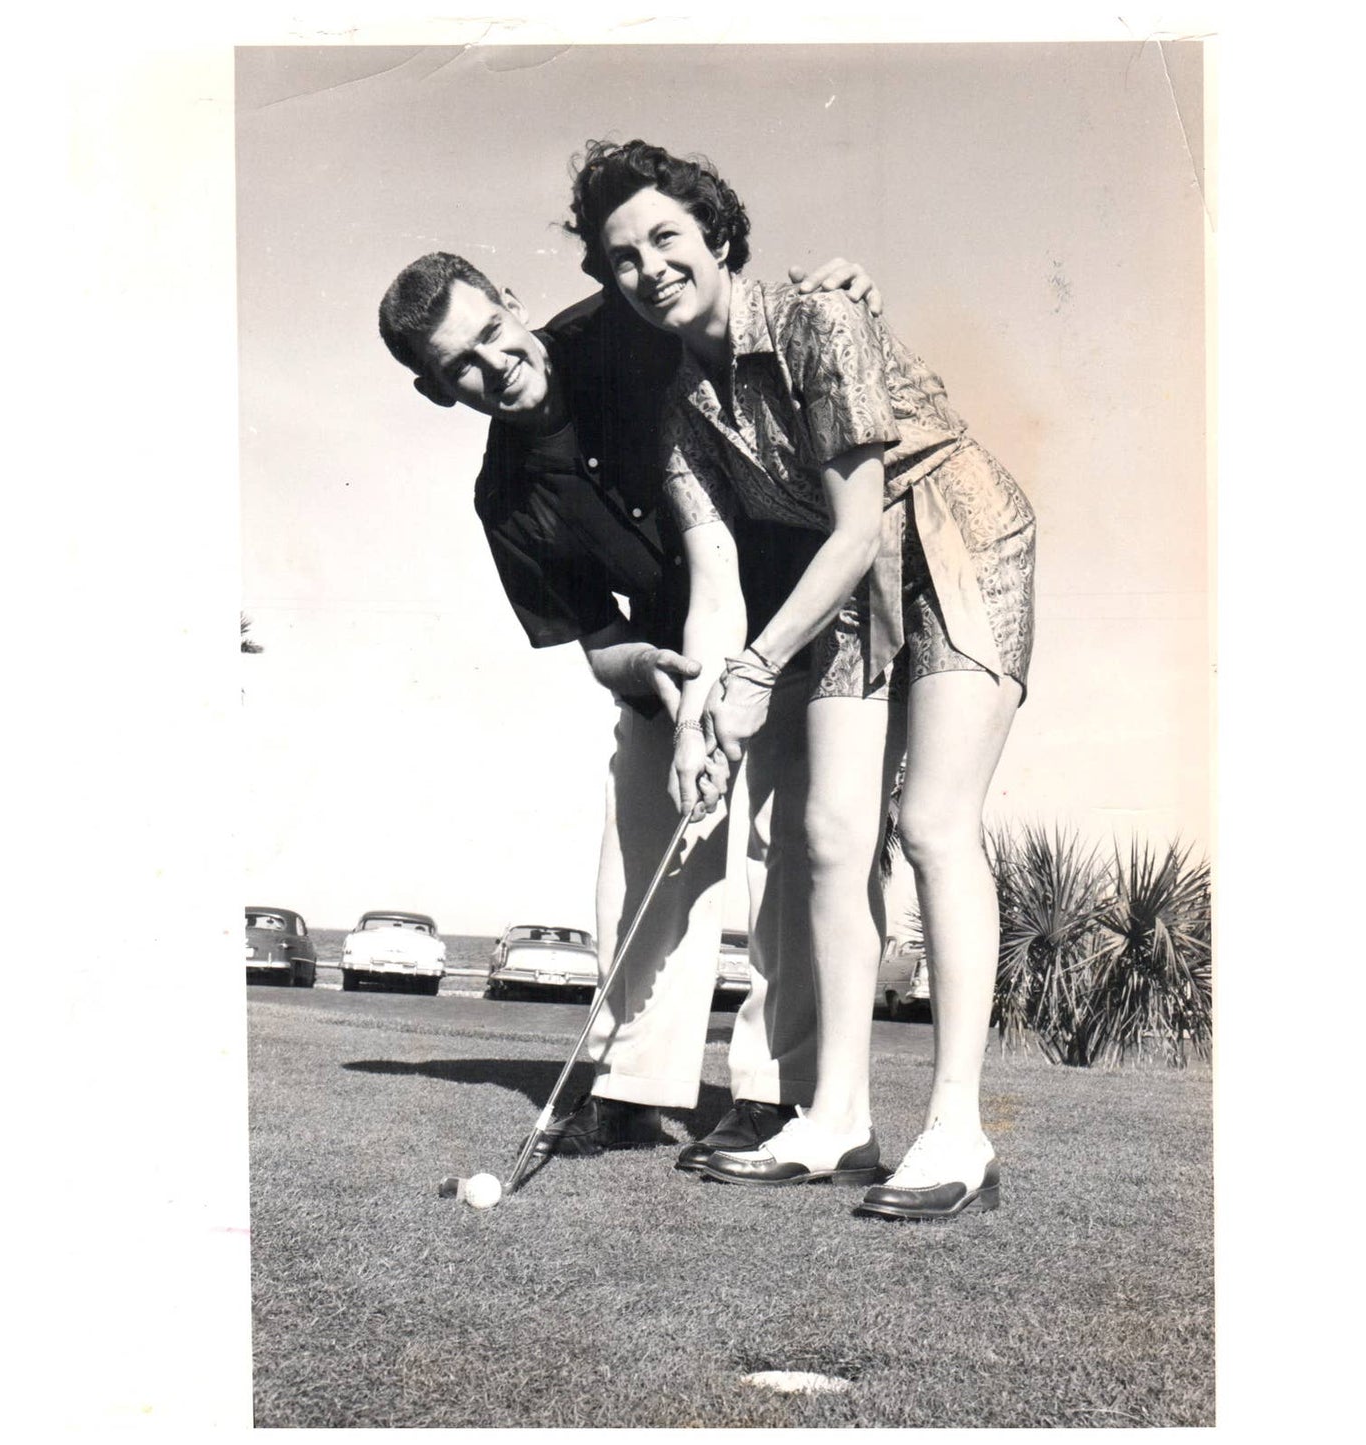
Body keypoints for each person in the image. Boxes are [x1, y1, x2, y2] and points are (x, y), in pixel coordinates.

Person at [566, 139, 1036, 1219]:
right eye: (621, 258)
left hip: (958, 537)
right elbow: (717, 576)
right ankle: (835, 1116)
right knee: (828, 835)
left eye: (664, 238)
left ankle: (957, 1129)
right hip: (846, 578)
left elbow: (860, 516)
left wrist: (754, 672)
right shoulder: (679, 411)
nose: (647, 268)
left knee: (928, 821)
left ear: (718, 236)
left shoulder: (820, 319)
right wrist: (701, 722)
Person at [377, 250, 883, 1170]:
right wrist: (641, 667)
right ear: (436, 390)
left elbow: (741, 315)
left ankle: (773, 1093)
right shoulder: (503, 498)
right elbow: (593, 640)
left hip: (792, 614)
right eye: (462, 366)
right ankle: (632, 1088)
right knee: (644, 852)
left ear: (510, 303)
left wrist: (833, 287)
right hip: (671, 668)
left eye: (491, 332)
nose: (495, 365)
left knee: (790, 854)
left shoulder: (620, 326)